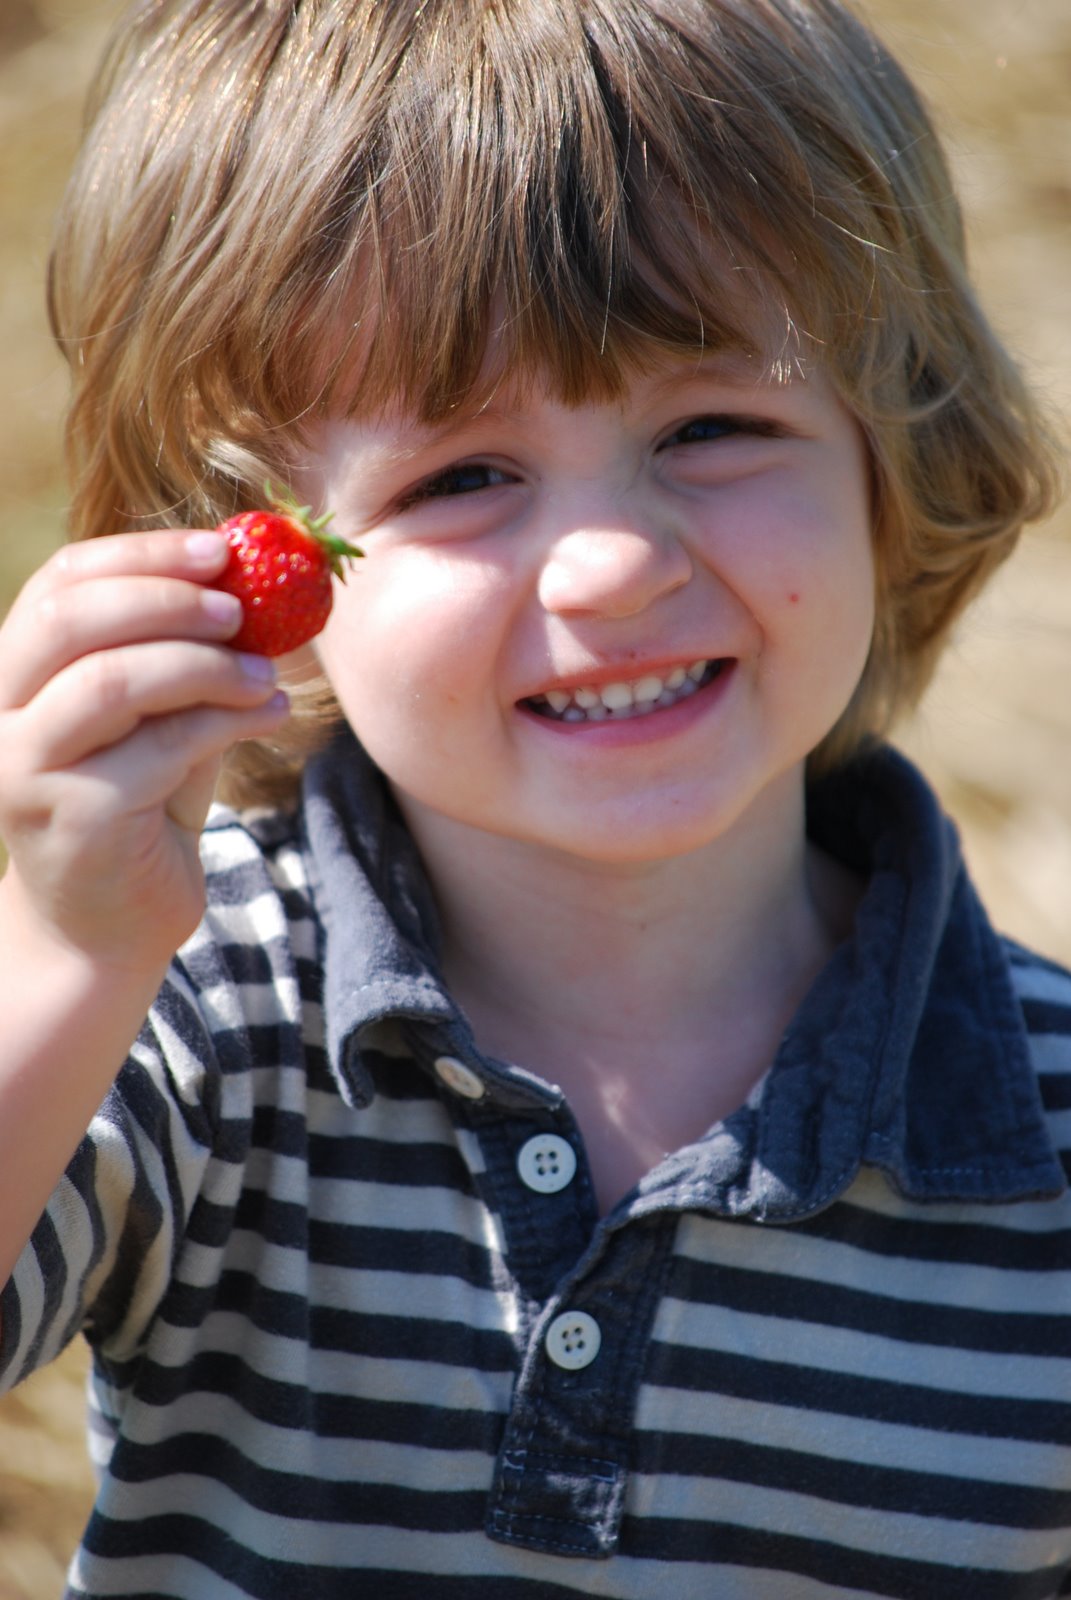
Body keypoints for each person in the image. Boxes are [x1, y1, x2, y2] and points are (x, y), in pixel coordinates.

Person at [0, 0, 1068, 1594]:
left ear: (892, 452)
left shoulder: (1042, 1140)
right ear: (249, 565)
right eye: (460, 476)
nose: (617, 566)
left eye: (715, 425)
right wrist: (61, 952)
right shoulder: (190, 1002)